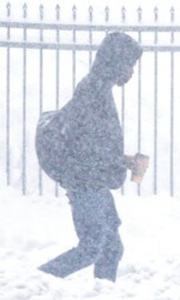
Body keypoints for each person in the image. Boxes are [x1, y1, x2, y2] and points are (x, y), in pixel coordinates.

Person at [38, 31, 147, 282]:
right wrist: (122, 161)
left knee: (111, 248)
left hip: (93, 180)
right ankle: (38, 282)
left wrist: (123, 160)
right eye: (130, 65)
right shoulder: (92, 91)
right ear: (117, 63)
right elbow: (87, 147)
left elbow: (96, 143)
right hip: (85, 181)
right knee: (91, 247)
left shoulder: (99, 88)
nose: (132, 72)